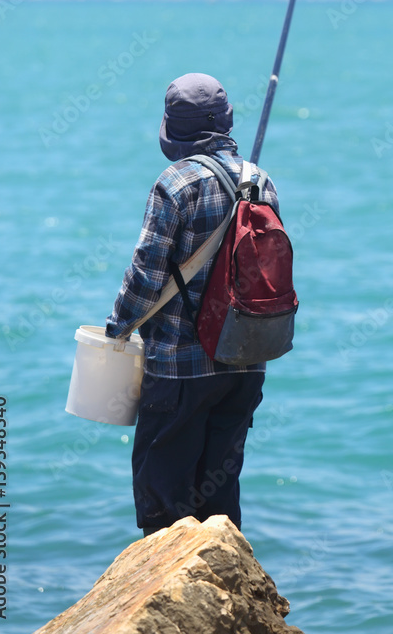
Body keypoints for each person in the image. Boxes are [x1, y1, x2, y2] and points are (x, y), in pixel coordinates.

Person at [106, 72, 279, 536]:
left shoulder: (174, 183)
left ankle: (172, 590)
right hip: (245, 362)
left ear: (172, 129)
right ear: (225, 122)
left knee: (164, 499)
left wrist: (116, 329)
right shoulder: (259, 180)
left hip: (181, 369)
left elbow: (146, 274)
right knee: (220, 495)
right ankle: (226, 584)